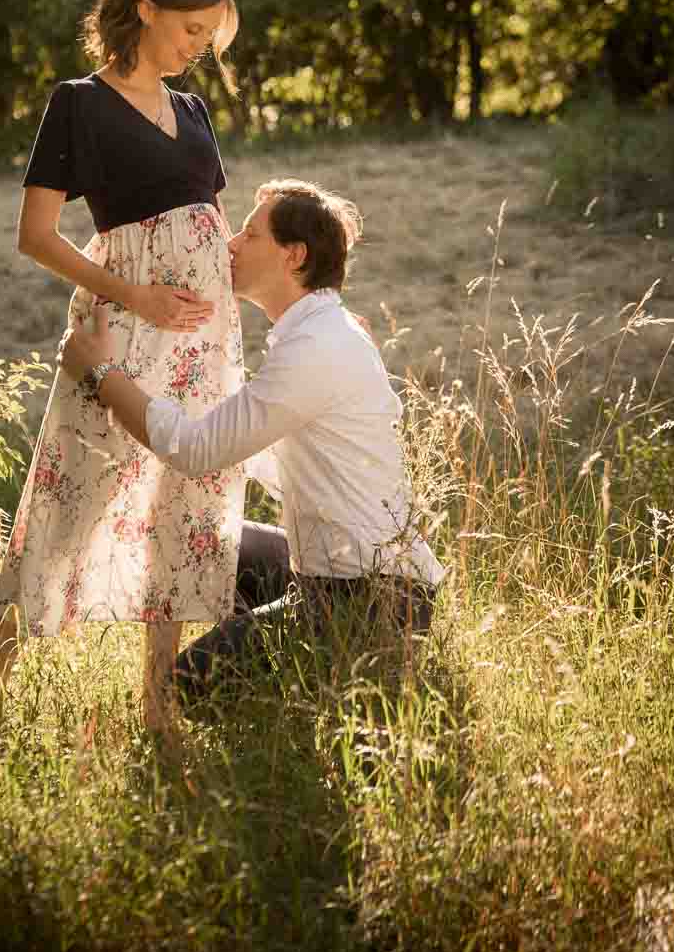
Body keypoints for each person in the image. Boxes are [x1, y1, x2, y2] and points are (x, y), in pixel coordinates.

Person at [0, 0, 248, 733]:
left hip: (202, 342)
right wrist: (134, 294)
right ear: (148, 8)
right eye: (191, 29)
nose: (199, 49)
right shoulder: (79, 103)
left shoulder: (192, 111)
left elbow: (207, 226)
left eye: (209, 34)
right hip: (122, 323)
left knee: (182, 501)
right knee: (70, 501)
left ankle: (158, 702)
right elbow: (36, 235)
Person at [59, 179, 446, 711]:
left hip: (372, 600)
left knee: (184, 690)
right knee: (199, 529)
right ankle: (267, 642)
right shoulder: (319, 333)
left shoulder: (316, 347)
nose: (231, 244)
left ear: (294, 256)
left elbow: (196, 450)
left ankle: (301, 686)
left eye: (250, 233)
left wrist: (101, 374)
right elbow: (258, 454)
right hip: (324, 571)